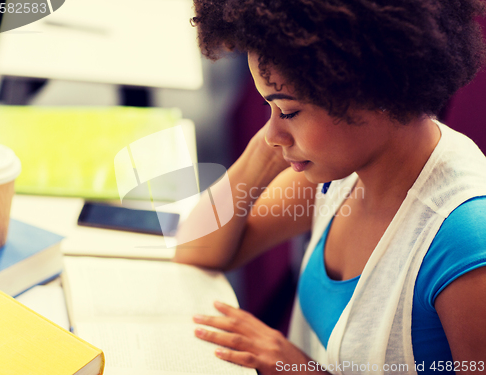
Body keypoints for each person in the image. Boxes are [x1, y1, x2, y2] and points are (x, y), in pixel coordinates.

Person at [173, 1, 486, 374]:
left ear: (375, 91)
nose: (273, 132)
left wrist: (300, 369)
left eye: (288, 111)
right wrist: (264, 149)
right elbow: (198, 249)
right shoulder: (347, 169)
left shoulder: (465, 240)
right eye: (266, 105)